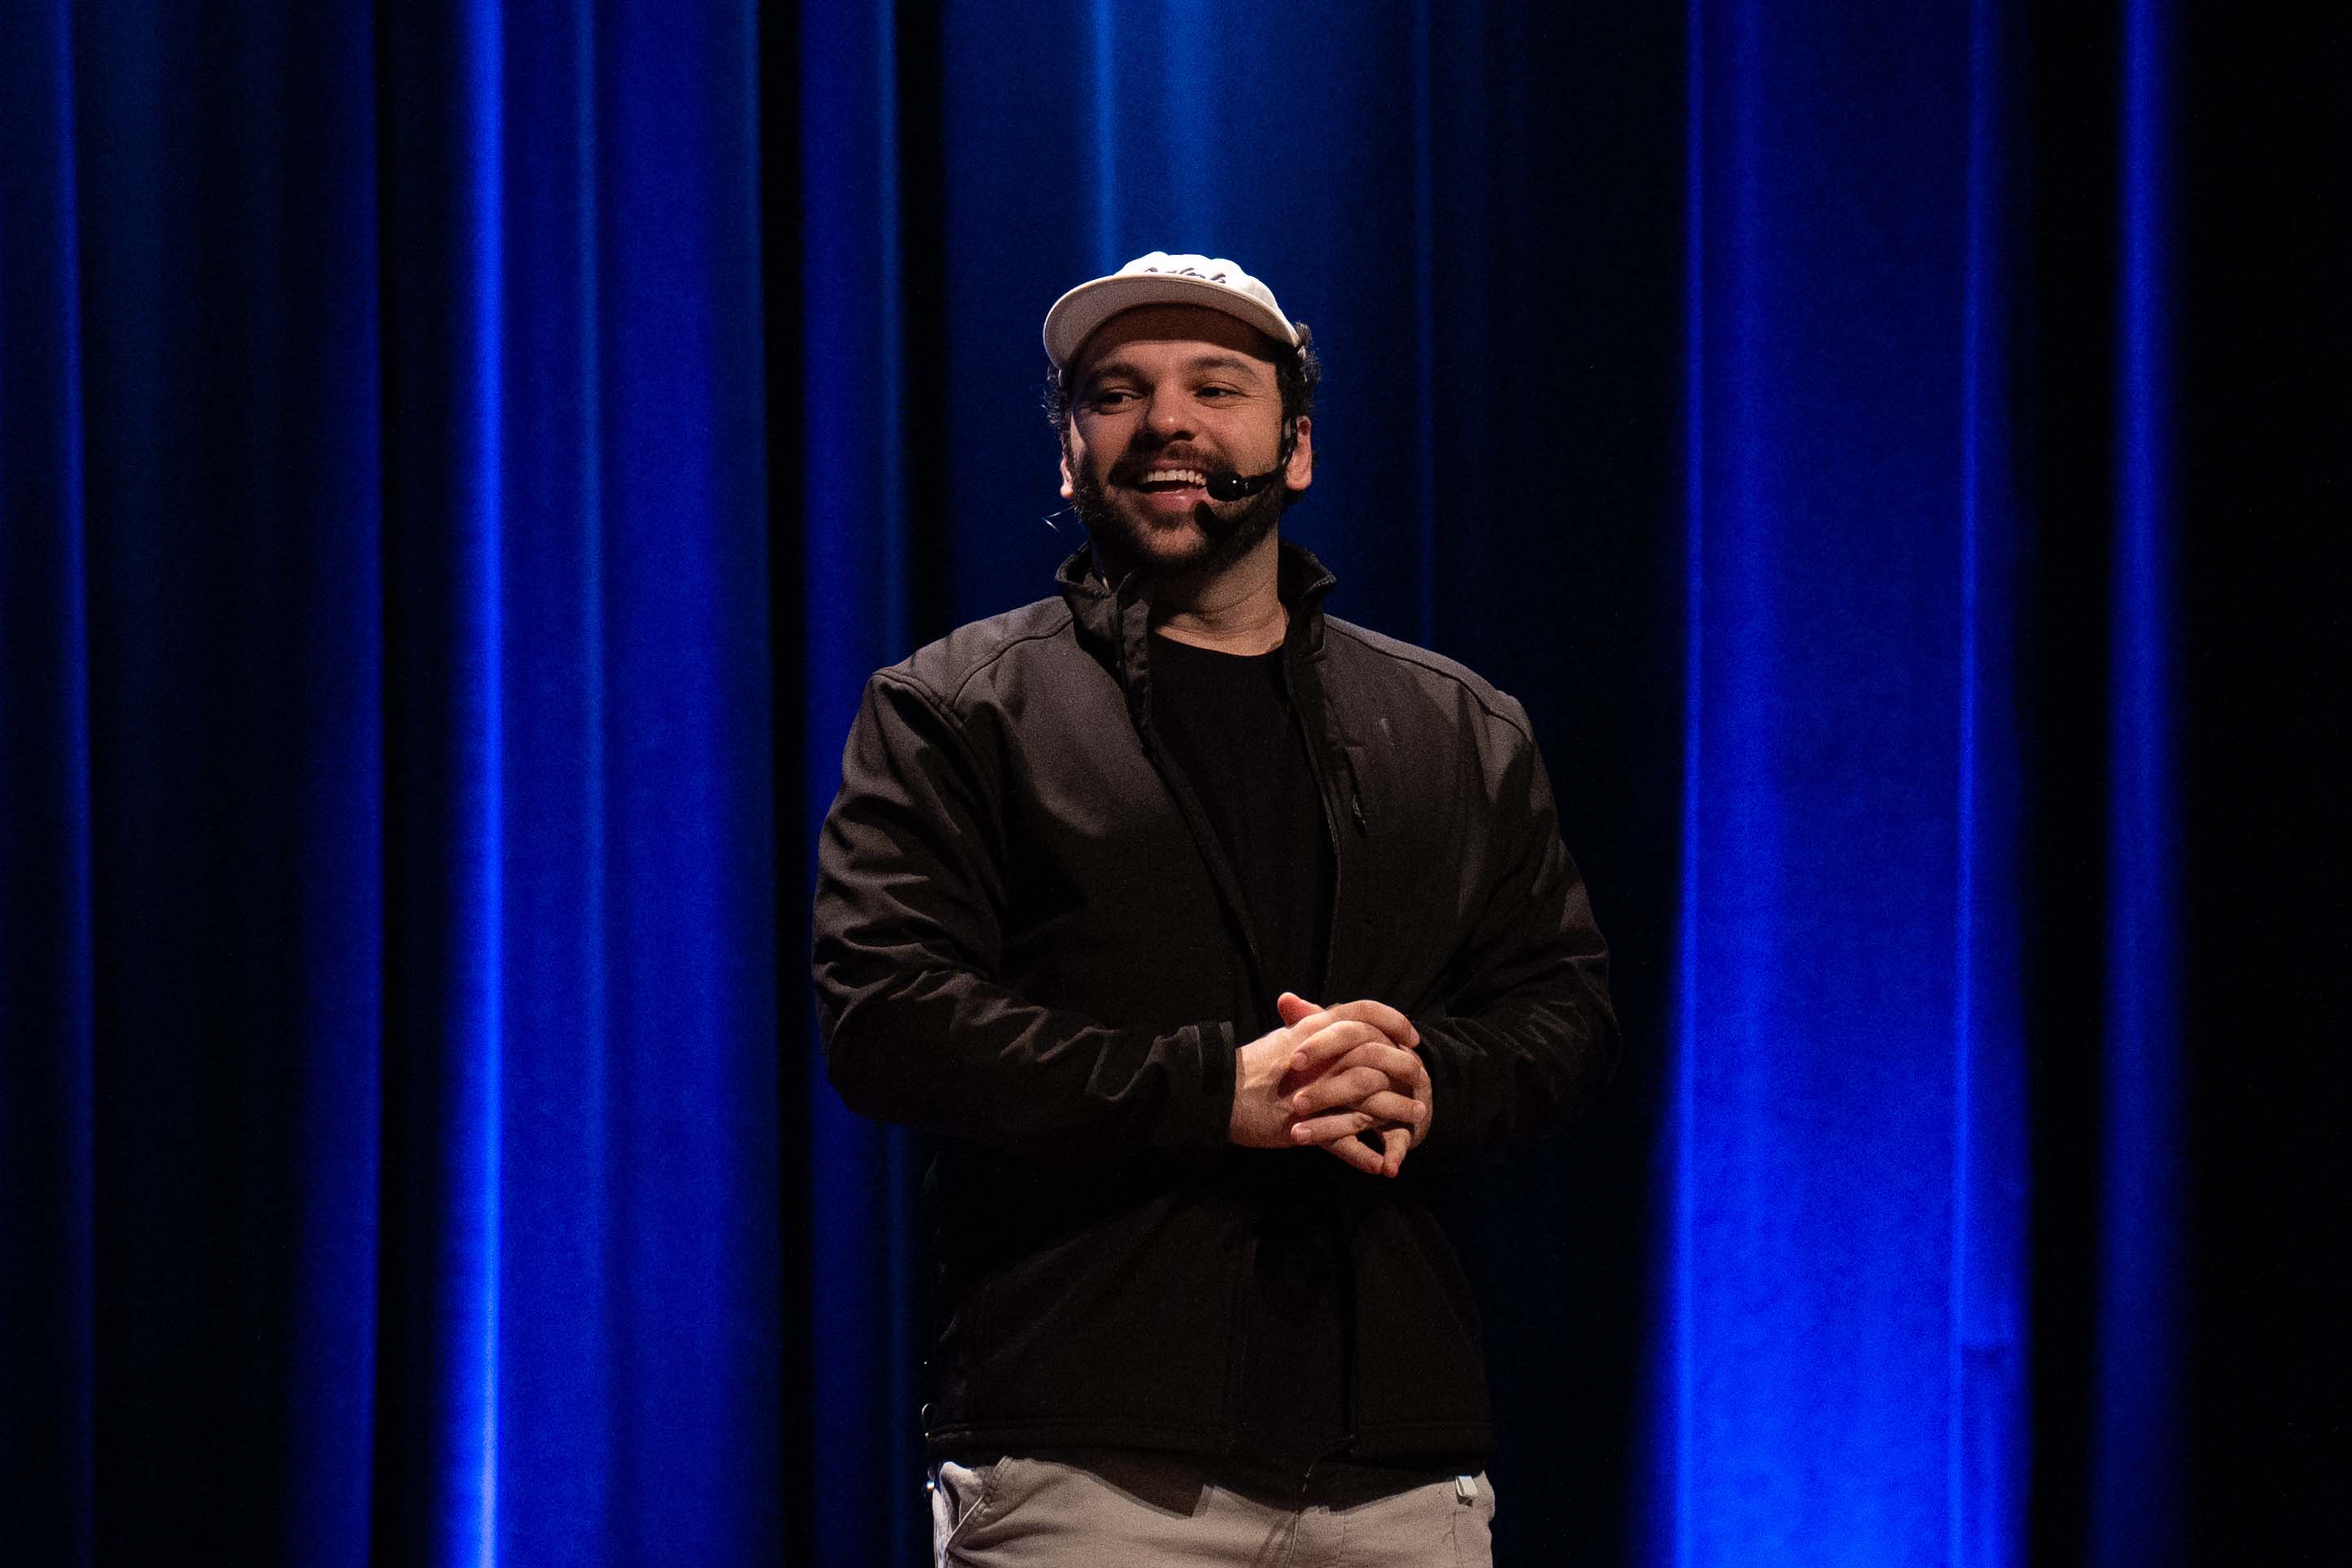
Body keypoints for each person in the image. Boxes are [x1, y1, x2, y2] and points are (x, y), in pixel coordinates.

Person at [813, 252, 1618, 1565]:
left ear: (1294, 449)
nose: (1169, 420)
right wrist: (1205, 1092)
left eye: (1216, 387)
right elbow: (889, 1017)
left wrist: (1431, 1077)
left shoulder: (1457, 725)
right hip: (1086, 1464)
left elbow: (1566, 1017)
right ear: (1070, 458)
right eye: (1116, 394)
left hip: (1401, 1476)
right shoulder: (957, 707)